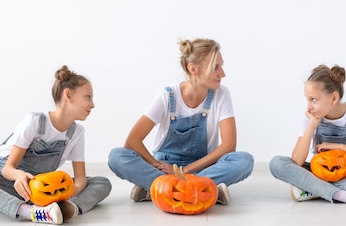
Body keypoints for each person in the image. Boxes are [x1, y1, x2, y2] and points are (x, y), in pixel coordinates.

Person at [0, 65, 112, 225]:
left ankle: (67, 208)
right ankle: (30, 212)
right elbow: (8, 169)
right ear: (68, 94)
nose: (93, 105)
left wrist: (68, 194)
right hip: (6, 182)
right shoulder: (35, 122)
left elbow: (80, 179)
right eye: (88, 97)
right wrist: (19, 175)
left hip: (41, 189)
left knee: (101, 183)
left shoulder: (76, 132)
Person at [108, 38, 254, 205]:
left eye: (221, 66)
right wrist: (157, 165)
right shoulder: (168, 95)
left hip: (203, 166)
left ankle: (161, 189)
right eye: (216, 67)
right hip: (165, 165)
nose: (223, 74)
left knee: (244, 161)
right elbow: (132, 141)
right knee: (117, 156)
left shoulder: (221, 94)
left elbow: (229, 146)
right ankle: (203, 190)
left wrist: (183, 171)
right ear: (193, 69)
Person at [269, 64, 346, 206]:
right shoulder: (311, 117)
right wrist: (312, 125)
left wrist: (340, 146)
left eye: (314, 100)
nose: (309, 106)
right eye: (307, 99)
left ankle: (314, 190)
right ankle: (344, 195)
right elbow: (297, 160)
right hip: (320, 174)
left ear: (334, 98)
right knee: (277, 163)